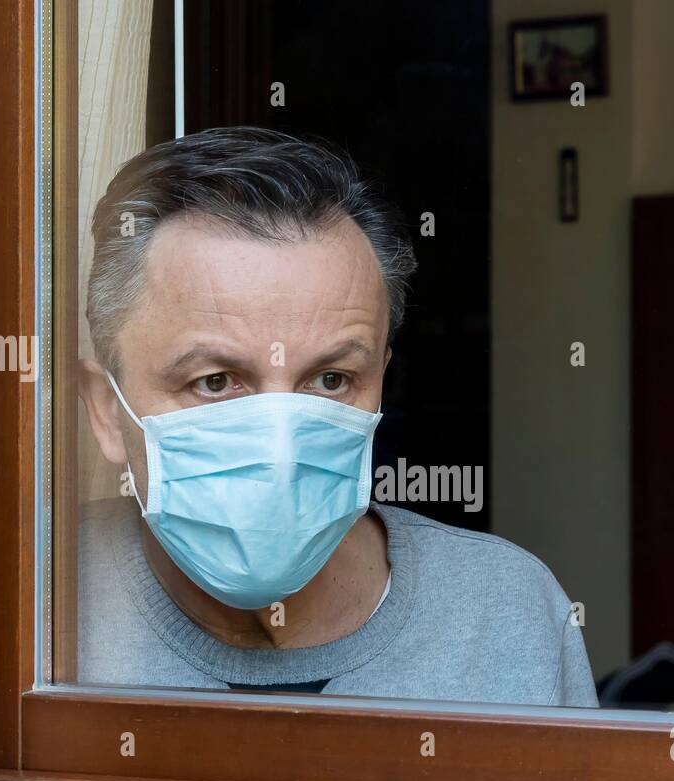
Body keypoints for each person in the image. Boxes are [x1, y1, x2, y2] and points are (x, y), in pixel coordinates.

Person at [77, 126, 597, 706]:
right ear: (105, 410)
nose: (280, 447)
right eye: (215, 382)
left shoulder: (505, 612)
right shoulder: (27, 615)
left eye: (330, 380)